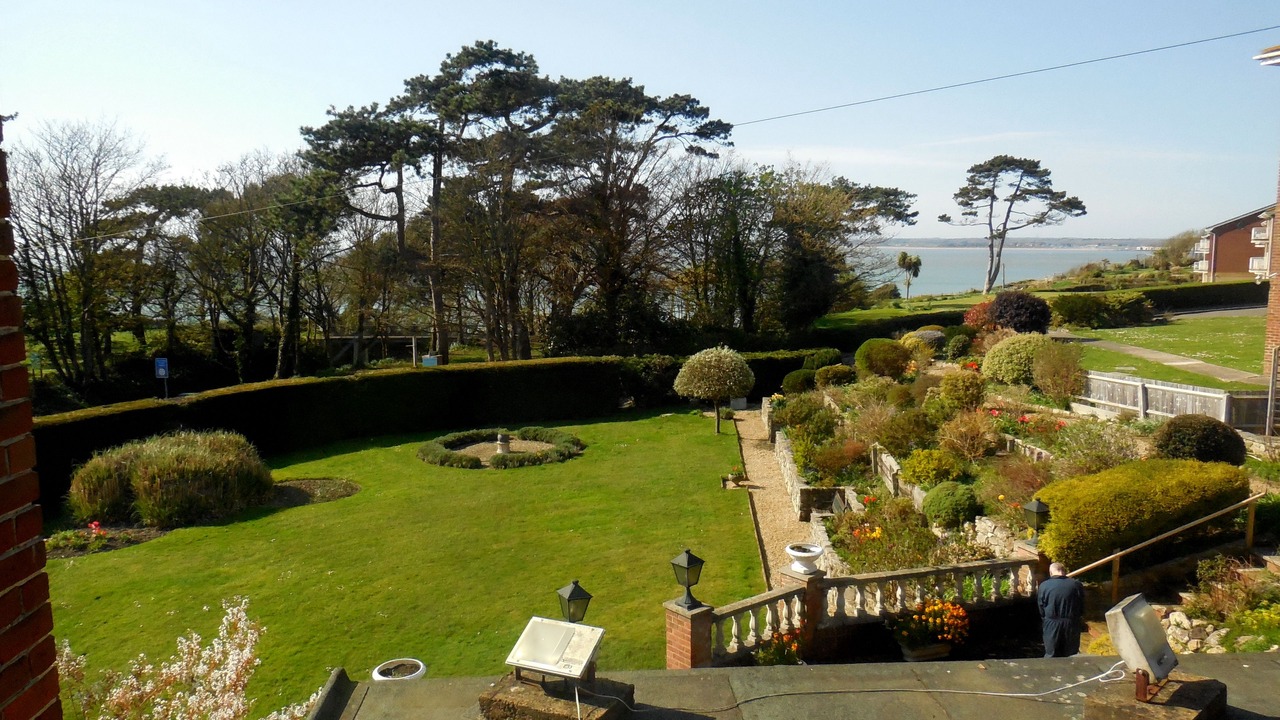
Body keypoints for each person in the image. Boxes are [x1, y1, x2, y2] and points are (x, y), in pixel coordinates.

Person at [1038, 562, 1085, 657]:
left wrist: (1045, 620)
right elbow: (1081, 606)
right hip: (1071, 623)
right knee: (1071, 654)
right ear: (1064, 572)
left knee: (1051, 654)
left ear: (1051, 573)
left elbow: (1041, 607)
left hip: (1051, 623)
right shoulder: (1076, 585)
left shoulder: (1044, 586)